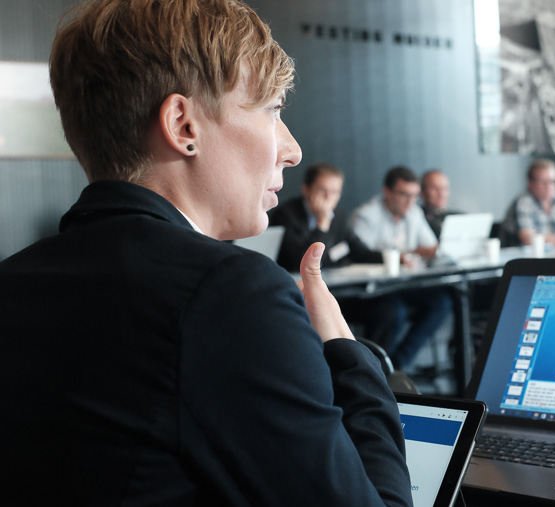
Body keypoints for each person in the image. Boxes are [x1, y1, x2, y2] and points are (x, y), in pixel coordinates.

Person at [0, 1, 412, 505]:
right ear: (183, 125)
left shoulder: (12, 281)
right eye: (272, 110)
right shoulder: (232, 295)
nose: (292, 149)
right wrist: (347, 355)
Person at [351, 166, 452, 369]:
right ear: (387, 192)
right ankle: (375, 369)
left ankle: (397, 364)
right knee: (394, 310)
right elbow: (358, 256)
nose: (410, 201)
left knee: (442, 301)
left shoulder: (414, 212)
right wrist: (403, 256)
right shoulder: (366, 216)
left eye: (414, 195)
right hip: (373, 290)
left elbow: (430, 248)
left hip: (404, 285)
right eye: (404, 194)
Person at [269, 162, 382, 271]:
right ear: (306, 189)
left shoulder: (338, 214)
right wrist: (322, 222)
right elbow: (301, 264)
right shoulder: (286, 215)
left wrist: (390, 258)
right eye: (322, 190)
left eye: (335, 192)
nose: (329, 197)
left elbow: (362, 252)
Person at [420, 169, 460, 238]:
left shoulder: (459, 218)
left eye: (444, 188)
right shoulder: (417, 217)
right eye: (435, 188)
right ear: (423, 191)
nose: (441, 194)